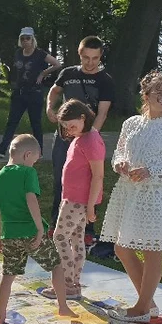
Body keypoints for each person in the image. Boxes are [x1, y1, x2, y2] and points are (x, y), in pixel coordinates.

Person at [99, 71, 162, 323]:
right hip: (129, 193)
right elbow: (118, 153)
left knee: (152, 250)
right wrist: (121, 165)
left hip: (157, 197)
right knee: (121, 247)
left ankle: (141, 308)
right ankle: (148, 303)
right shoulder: (131, 123)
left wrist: (151, 172)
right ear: (145, 96)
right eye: (158, 92)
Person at [0, 134, 76, 324]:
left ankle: (1, 315)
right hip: (30, 232)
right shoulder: (27, 173)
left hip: (10, 235)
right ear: (28, 155)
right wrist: (39, 228)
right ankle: (62, 306)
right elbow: (31, 199)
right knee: (56, 266)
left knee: (8, 275)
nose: (34, 165)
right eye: (35, 161)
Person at [45, 35, 114, 226]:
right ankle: (57, 221)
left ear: (100, 57)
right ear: (79, 54)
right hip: (63, 136)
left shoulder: (105, 80)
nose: (90, 62)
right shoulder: (68, 73)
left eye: (95, 58)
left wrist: (89, 137)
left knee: (88, 179)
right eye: (86, 57)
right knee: (61, 177)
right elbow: (54, 91)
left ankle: (87, 225)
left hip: (86, 140)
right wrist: (50, 108)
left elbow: (102, 113)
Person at [48, 99, 105, 300]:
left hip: (78, 200)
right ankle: (73, 284)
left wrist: (91, 206)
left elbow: (98, 175)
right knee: (76, 239)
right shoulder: (82, 137)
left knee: (60, 237)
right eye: (65, 128)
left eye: (72, 126)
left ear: (83, 118)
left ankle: (67, 283)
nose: (69, 131)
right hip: (73, 197)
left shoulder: (90, 140)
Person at [0, 27, 61, 158]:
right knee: (12, 121)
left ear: (32, 39)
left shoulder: (40, 54)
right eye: (22, 38)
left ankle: (39, 151)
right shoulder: (18, 53)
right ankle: (2, 148)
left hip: (34, 93)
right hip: (19, 92)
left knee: (36, 123)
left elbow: (57, 64)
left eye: (28, 38)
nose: (25, 41)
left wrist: (43, 73)